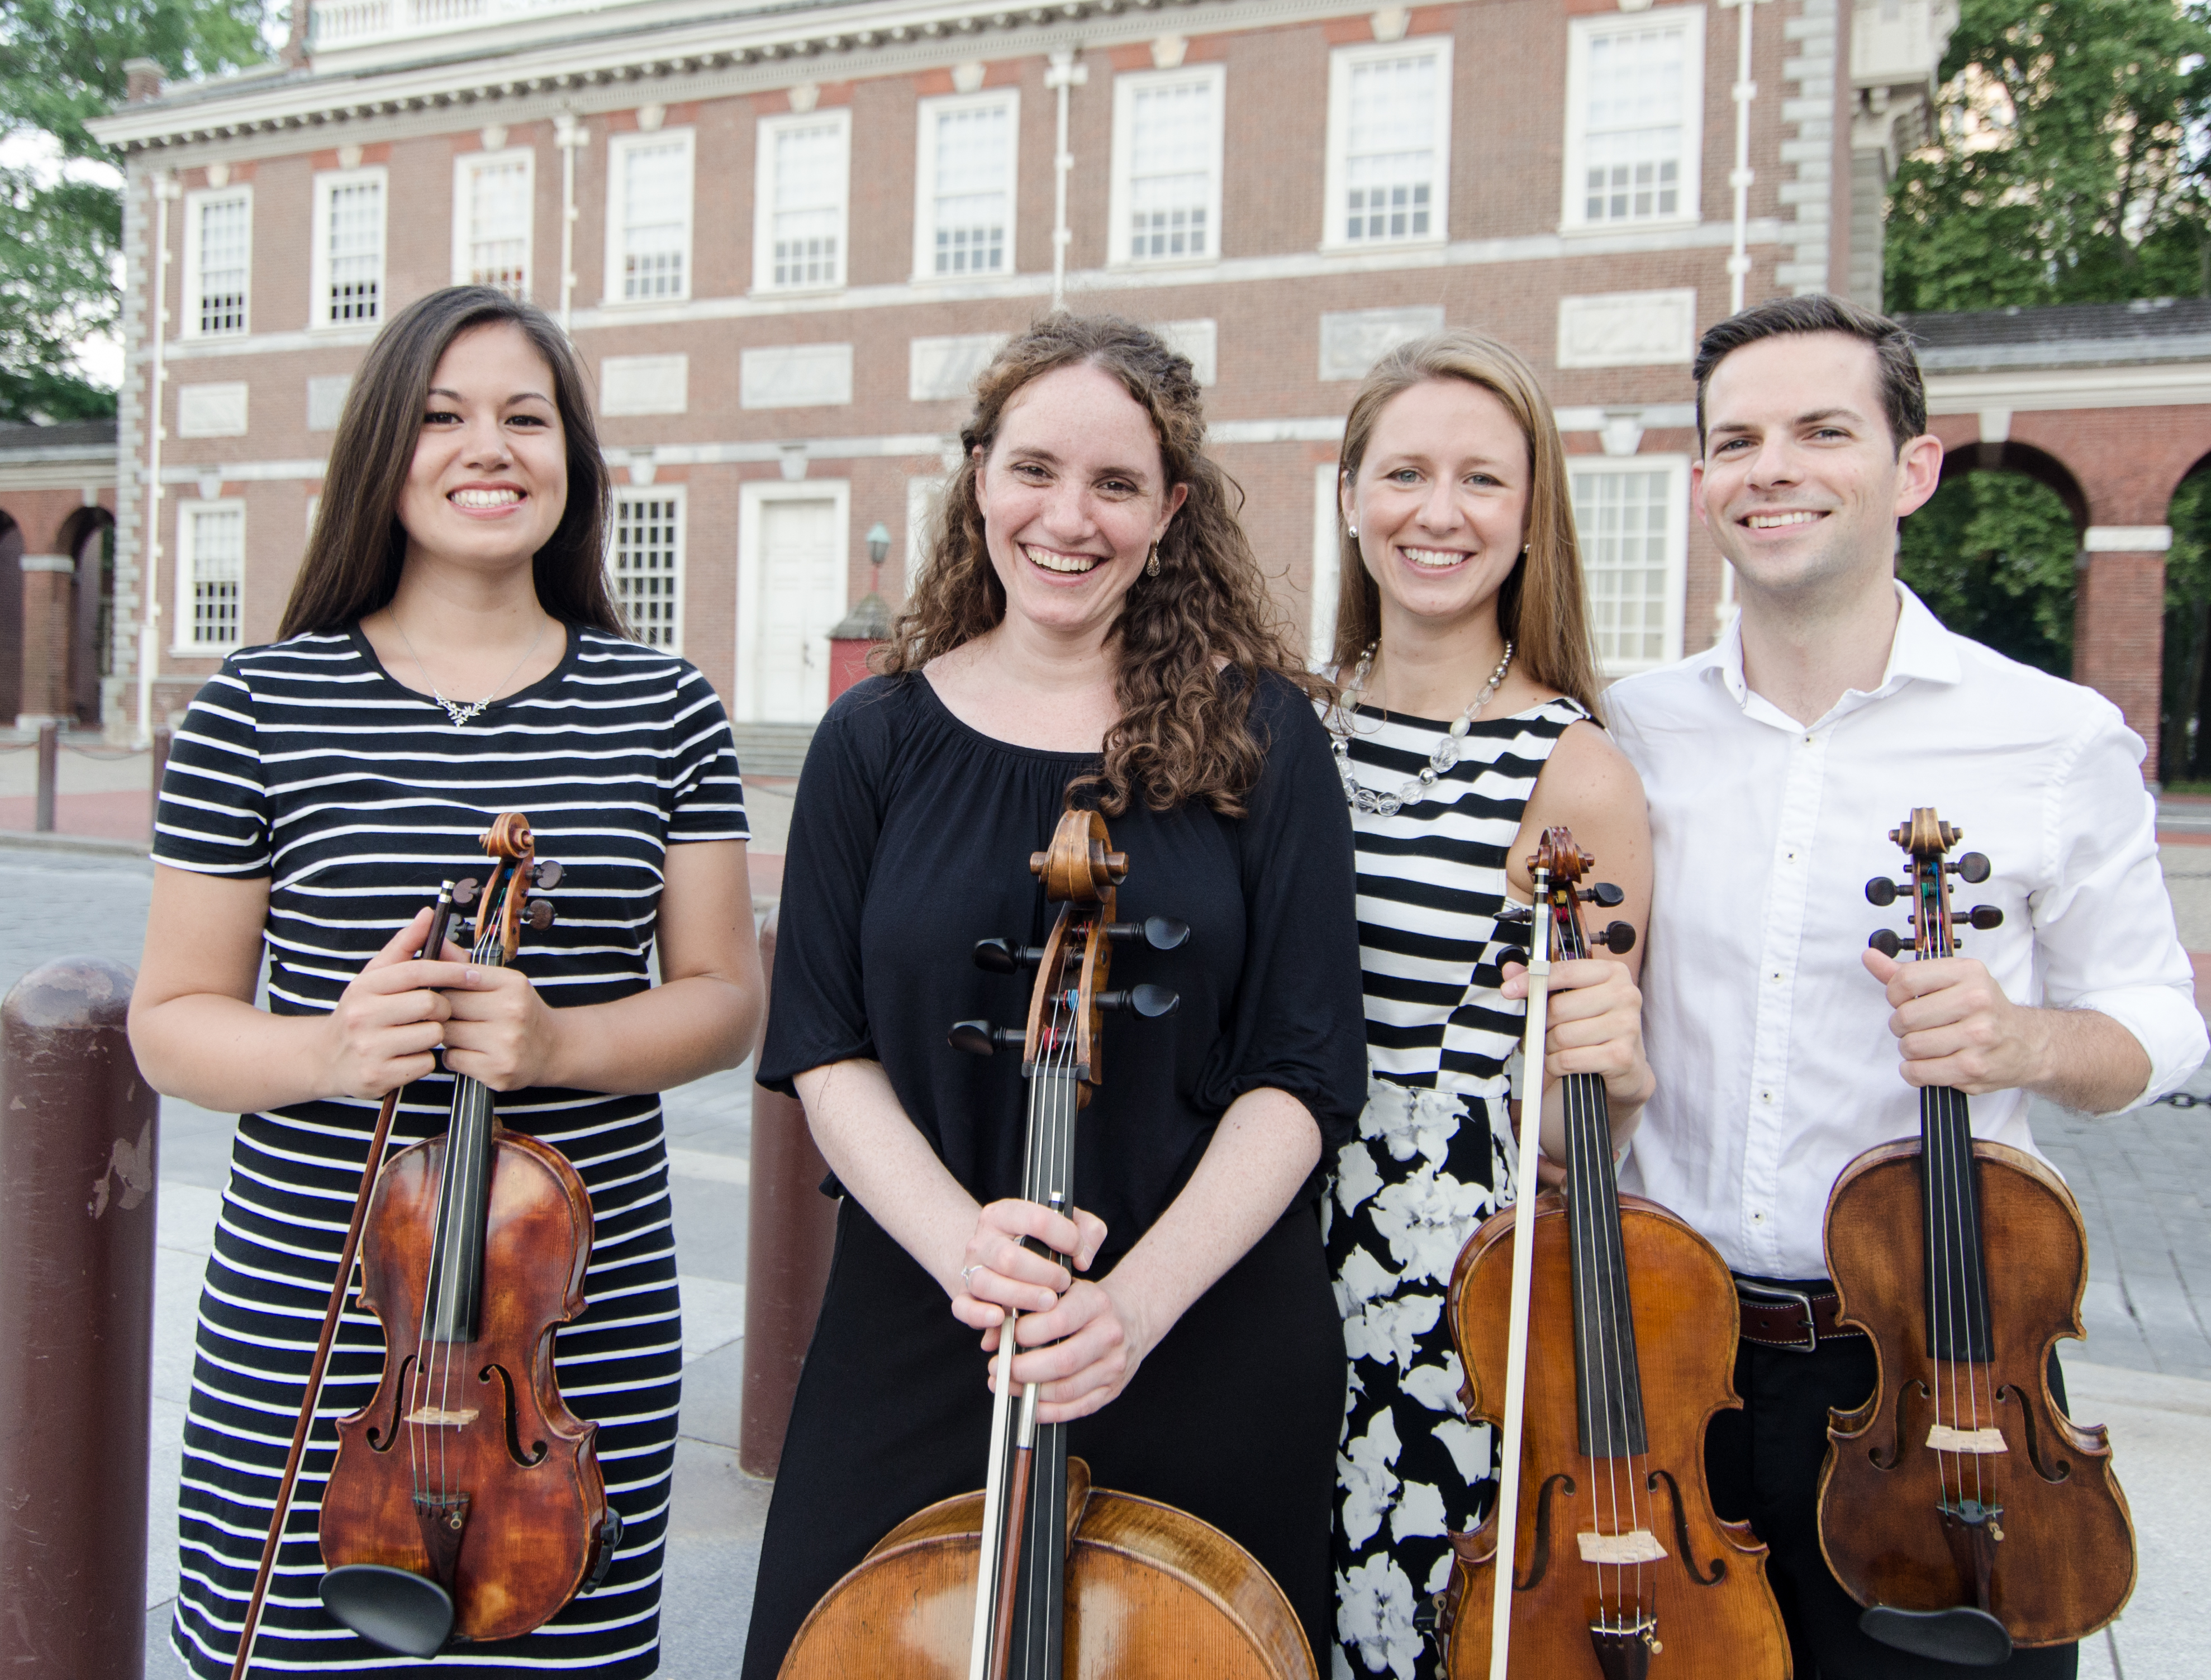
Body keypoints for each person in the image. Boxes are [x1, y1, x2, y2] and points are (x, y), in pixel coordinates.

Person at [130, 286, 764, 1678]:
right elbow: (170, 1024)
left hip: (568, 1329)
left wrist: (553, 1038)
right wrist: (332, 1050)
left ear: (571, 458)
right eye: (442, 416)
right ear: (382, 451)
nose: (490, 448)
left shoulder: (662, 706)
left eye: (525, 418)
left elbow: (723, 998)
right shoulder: (256, 703)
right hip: (317, 1306)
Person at [739, 313, 1367, 1677]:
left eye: (1115, 484)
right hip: (926, 1313)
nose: (1065, 517)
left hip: (1197, 1320)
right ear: (978, 479)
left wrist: (1131, 1306)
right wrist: (965, 1244)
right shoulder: (874, 738)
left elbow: (1302, 1067)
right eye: (1032, 469)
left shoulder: (1264, 735)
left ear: (1171, 510)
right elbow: (824, 1045)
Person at [1610, 294, 2209, 1679]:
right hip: (1673, 1362)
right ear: (1702, 480)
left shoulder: (2052, 737)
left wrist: (2021, 1034)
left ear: (1911, 469)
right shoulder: (1630, 733)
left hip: (1939, 1374)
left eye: (1821, 430)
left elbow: (2157, 1019)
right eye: (1735, 440)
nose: (1771, 468)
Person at [1316, 331, 1655, 1680]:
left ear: (1529, 515)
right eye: (1402, 471)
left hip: (1438, 1274)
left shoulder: (1575, 769)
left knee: (1401, 1630)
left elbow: (1573, 1125)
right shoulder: (1283, 719)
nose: (1436, 512)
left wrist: (1610, 1080)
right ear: (1347, 493)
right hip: (1250, 1228)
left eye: (1479, 480)